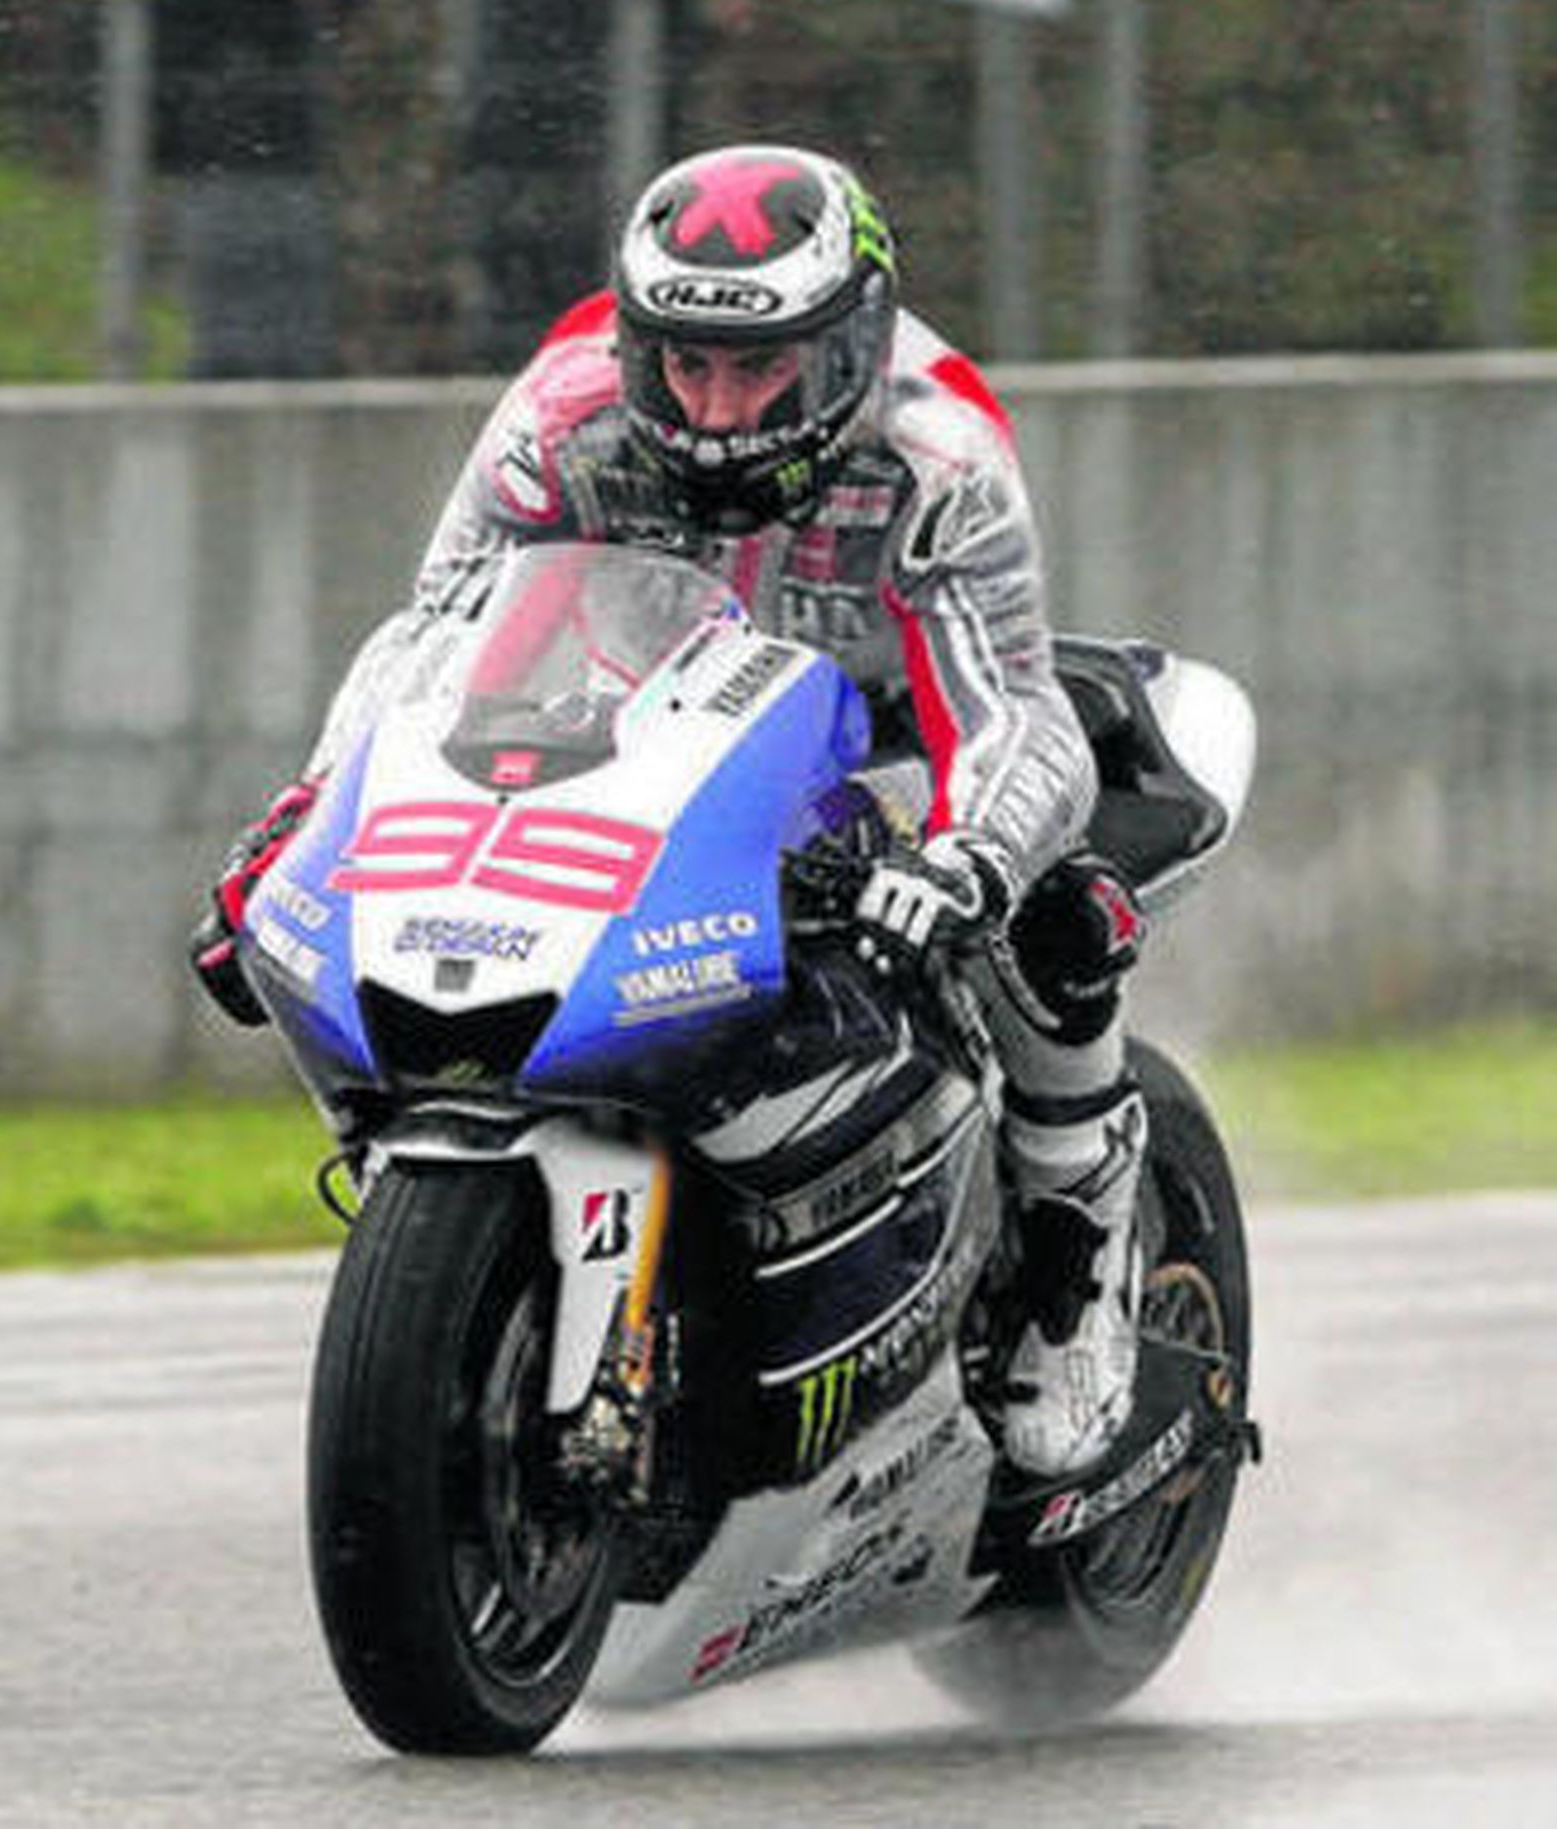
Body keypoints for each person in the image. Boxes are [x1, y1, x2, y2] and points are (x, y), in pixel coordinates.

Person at [190, 143, 1148, 1480]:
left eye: (761, 369)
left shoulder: (941, 454)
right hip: (638, 730)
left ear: (850, 343)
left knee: (1057, 912)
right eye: (684, 364)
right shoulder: (557, 419)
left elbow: (1013, 712)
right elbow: (430, 649)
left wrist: (967, 856)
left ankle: (1074, 1242)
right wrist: (305, 819)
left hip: (877, 744)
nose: (714, 407)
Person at [155, 0, 366, 377]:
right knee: (228, 305)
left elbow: (340, 8)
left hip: (293, 138)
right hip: (218, 140)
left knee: (297, 310)